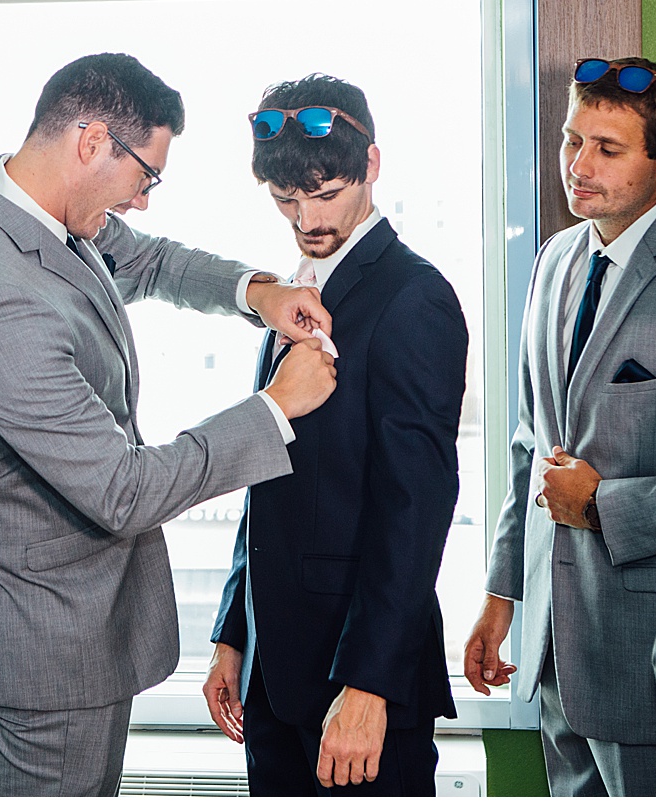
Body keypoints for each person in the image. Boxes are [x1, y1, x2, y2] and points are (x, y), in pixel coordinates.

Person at [0, 52, 339, 796]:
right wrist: (276, 406)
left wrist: (259, 292)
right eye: (146, 174)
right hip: (47, 636)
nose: (144, 200)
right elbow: (122, 488)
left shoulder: (13, 197)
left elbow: (147, 263)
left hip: (71, 614)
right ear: (89, 142)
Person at [463, 57, 656, 796]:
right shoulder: (555, 258)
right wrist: (503, 595)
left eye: (607, 148)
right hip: (553, 647)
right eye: (571, 140)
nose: (578, 166)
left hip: (654, 660)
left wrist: (601, 504)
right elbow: (532, 442)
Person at [203, 76, 468, 795]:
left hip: (357, 691)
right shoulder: (292, 296)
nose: (307, 217)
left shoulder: (415, 297)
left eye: (325, 195)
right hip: (273, 676)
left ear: (372, 166)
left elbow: (415, 510)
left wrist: (369, 685)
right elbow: (269, 471)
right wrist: (234, 631)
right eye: (287, 200)